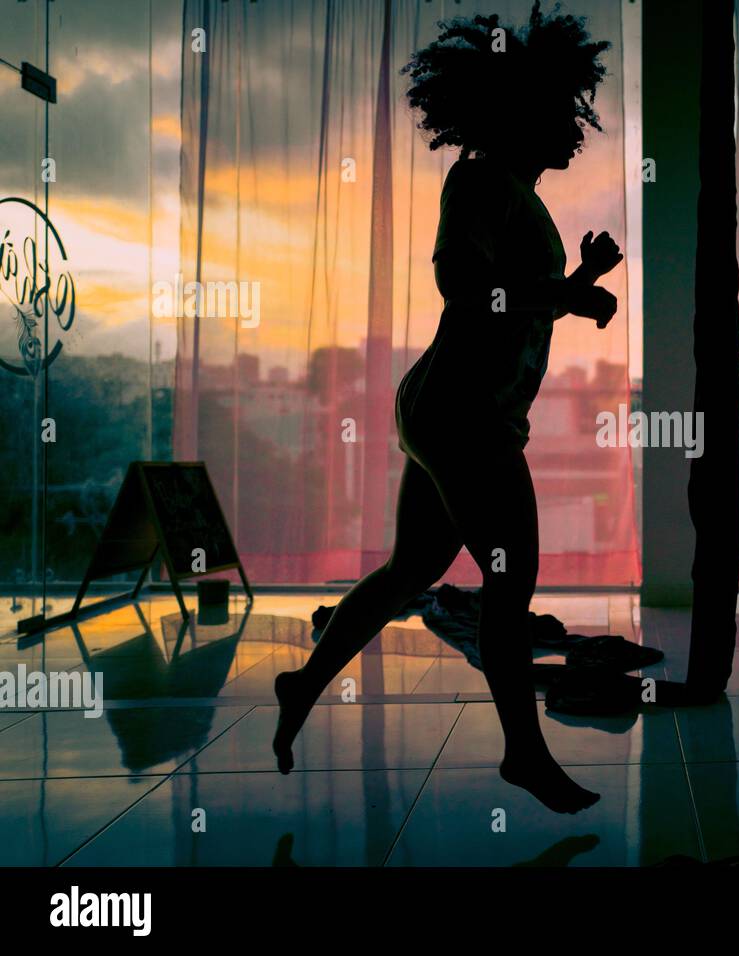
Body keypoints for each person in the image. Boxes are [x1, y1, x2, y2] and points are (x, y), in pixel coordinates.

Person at [273, 2, 621, 814]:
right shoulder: (477, 178)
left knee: (411, 572)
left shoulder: (511, 189)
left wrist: (576, 285)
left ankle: (304, 681)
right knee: (511, 581)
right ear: (519, 113)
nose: (573, 127)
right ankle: (524, 757)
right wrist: (566, 293)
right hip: (461, 414)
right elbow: (463, 289)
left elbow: (515, 297)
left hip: (458, 409)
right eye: (560, 111)